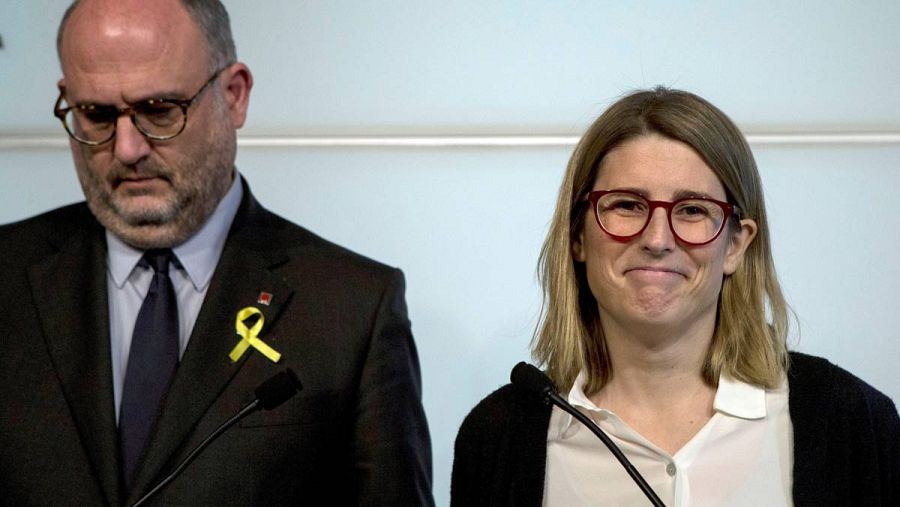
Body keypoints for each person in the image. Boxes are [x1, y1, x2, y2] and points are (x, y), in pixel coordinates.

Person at [0, 1, 433, 505]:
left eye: (159, 110)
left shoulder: (352, 310)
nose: (126, 148)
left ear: (234, 95)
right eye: (95, 115)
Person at [451, 87, 899, 506]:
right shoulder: (498, 438)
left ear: (736, 245)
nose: (658, 239)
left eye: (692, 210)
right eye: (627, 205)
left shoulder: (852, 421)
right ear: (577, 236)